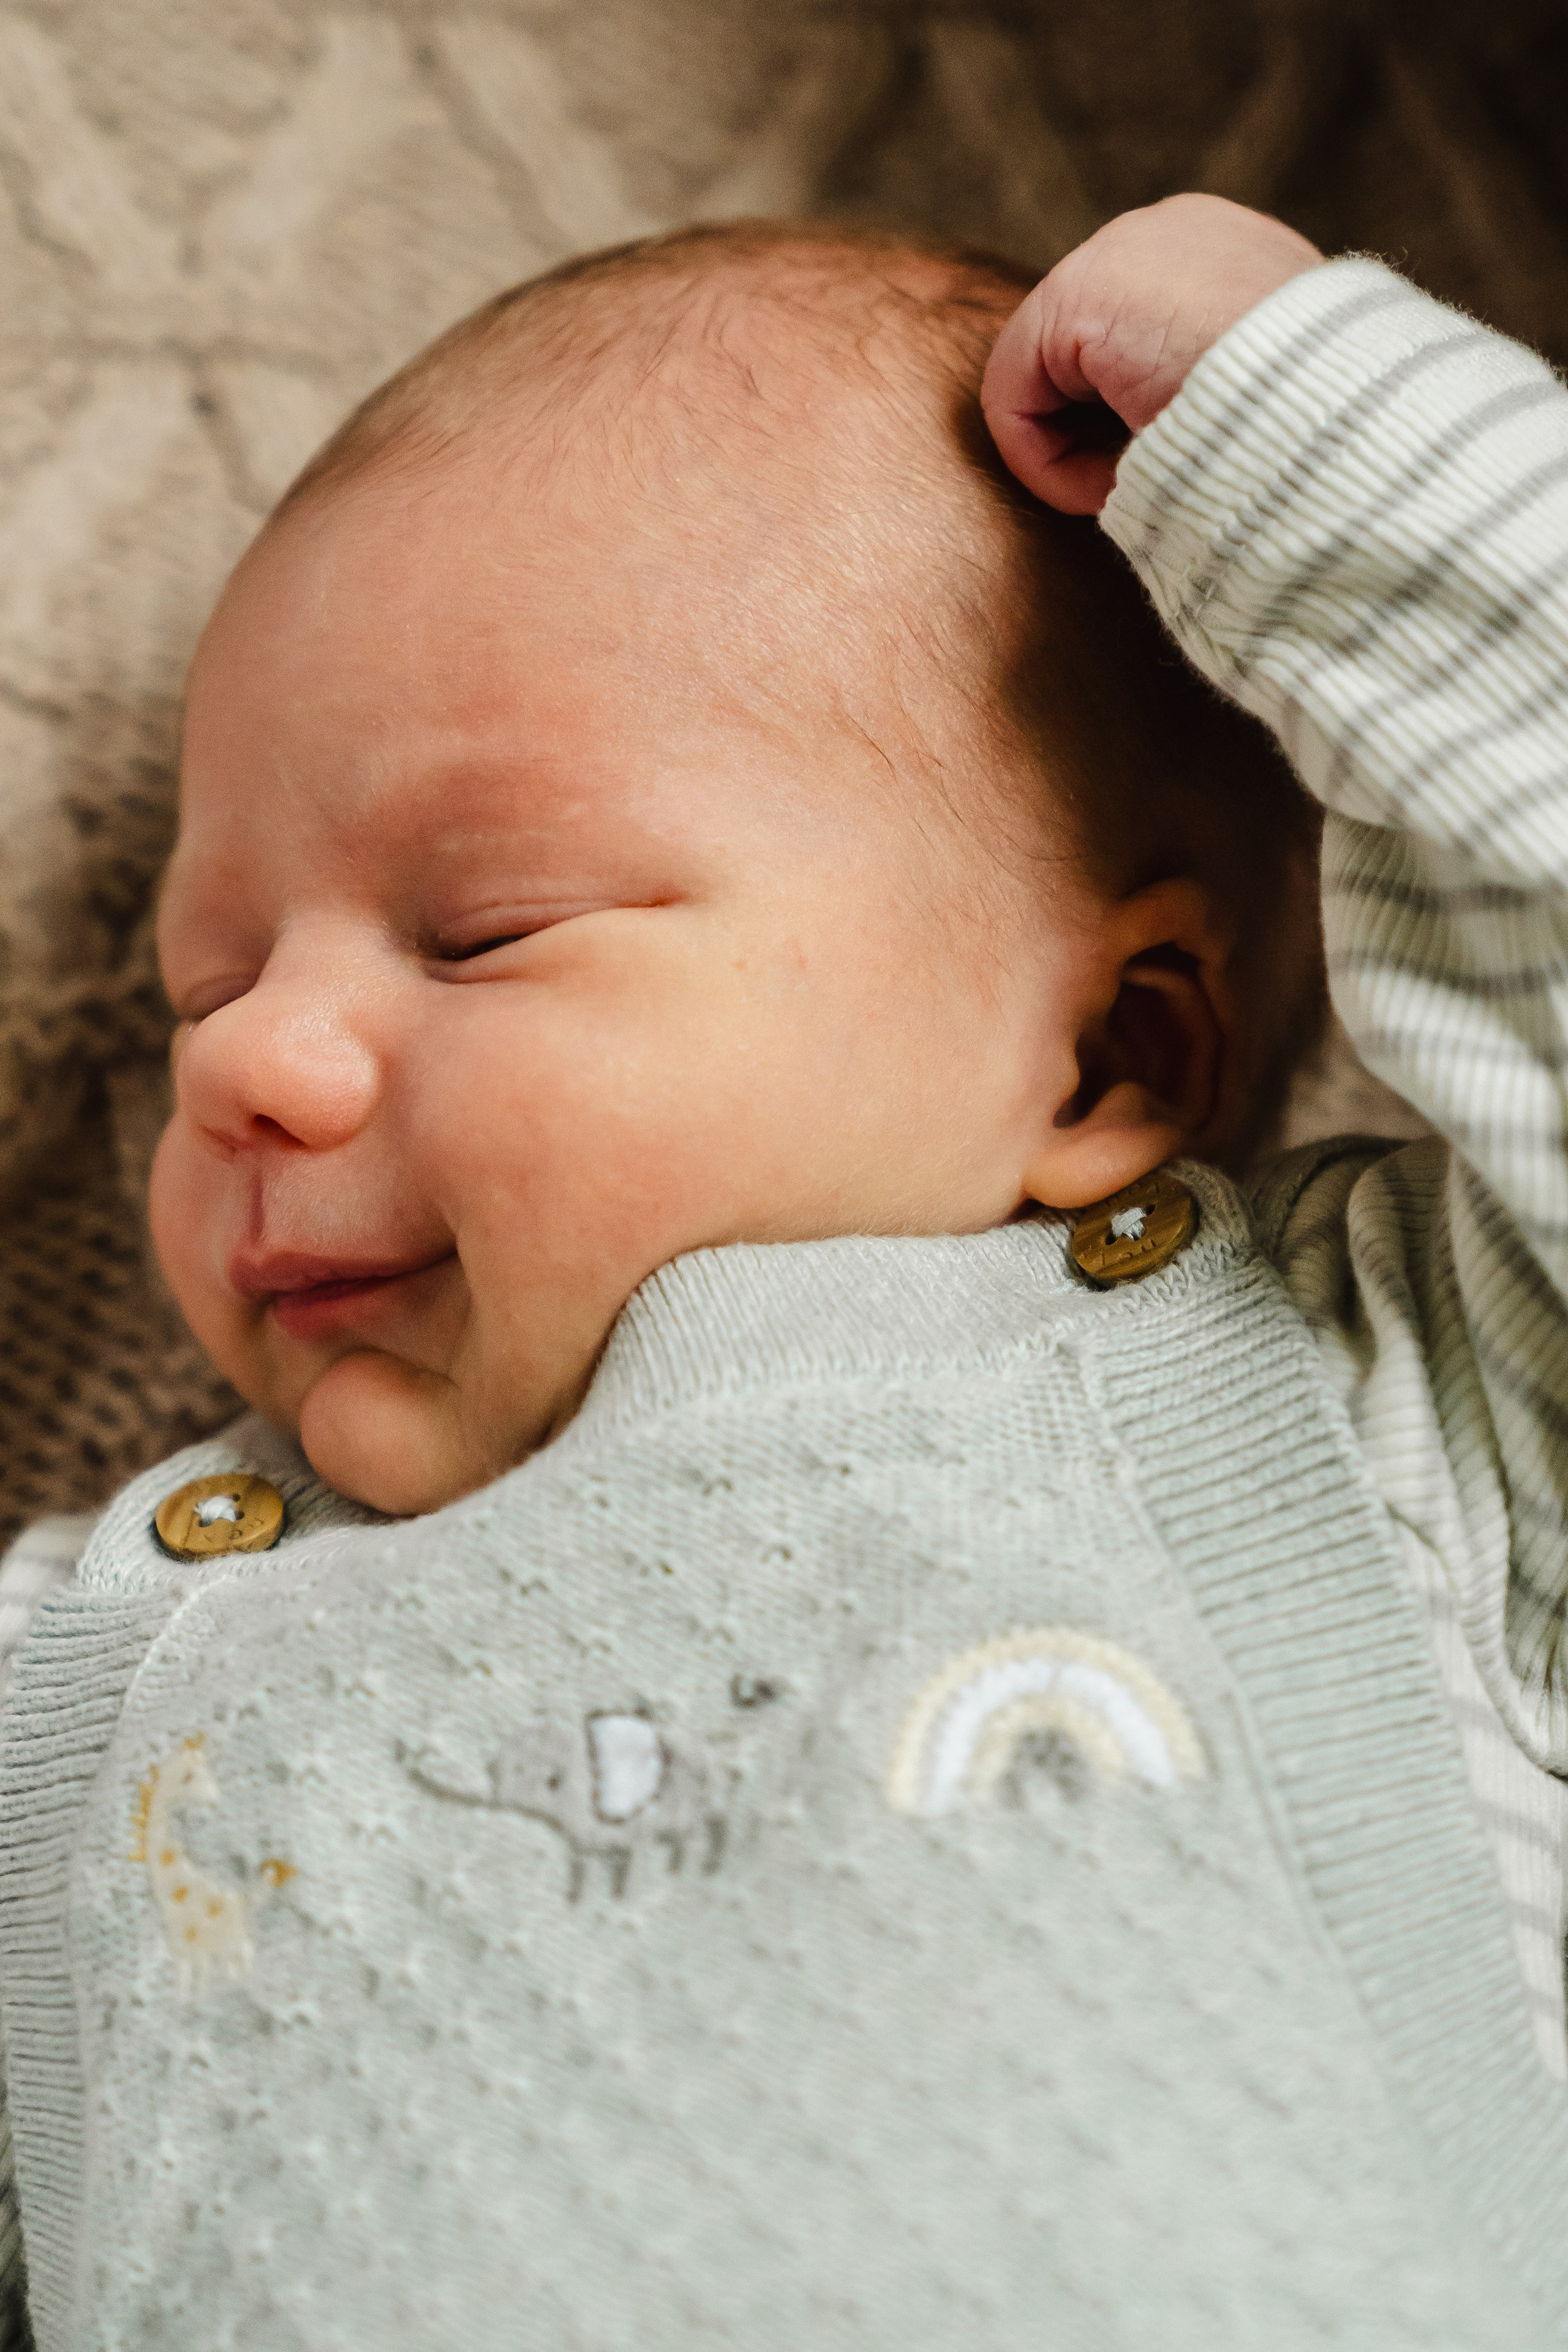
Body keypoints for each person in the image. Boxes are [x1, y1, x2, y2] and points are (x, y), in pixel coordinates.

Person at [2, 191, 1567, 2347]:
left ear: (1115, 1050)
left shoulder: (1395, 1410)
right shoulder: (102, 1665)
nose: (249, 1061)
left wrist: (1328, 446)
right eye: (210, 978)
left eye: (486, 928)